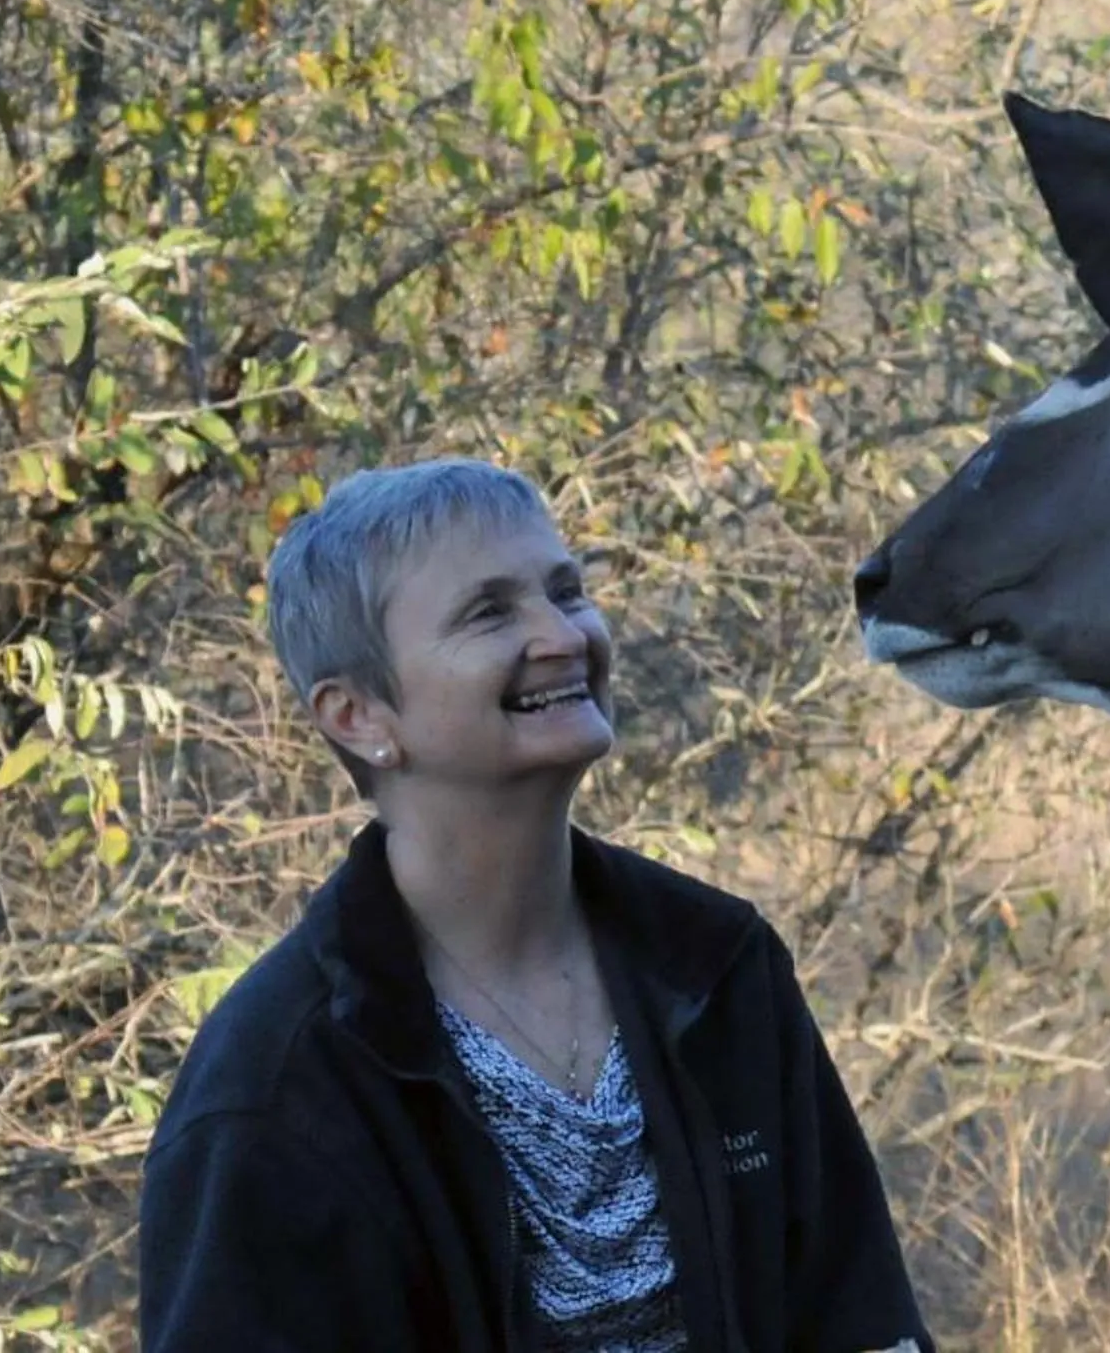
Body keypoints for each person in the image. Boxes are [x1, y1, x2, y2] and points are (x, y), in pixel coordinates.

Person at [137, 457, 931, 1352]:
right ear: (359, 717)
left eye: (566, 591)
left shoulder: (716, 968)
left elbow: (858, 1318)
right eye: (489, 612)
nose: (562, 635)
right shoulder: (276, 1088)